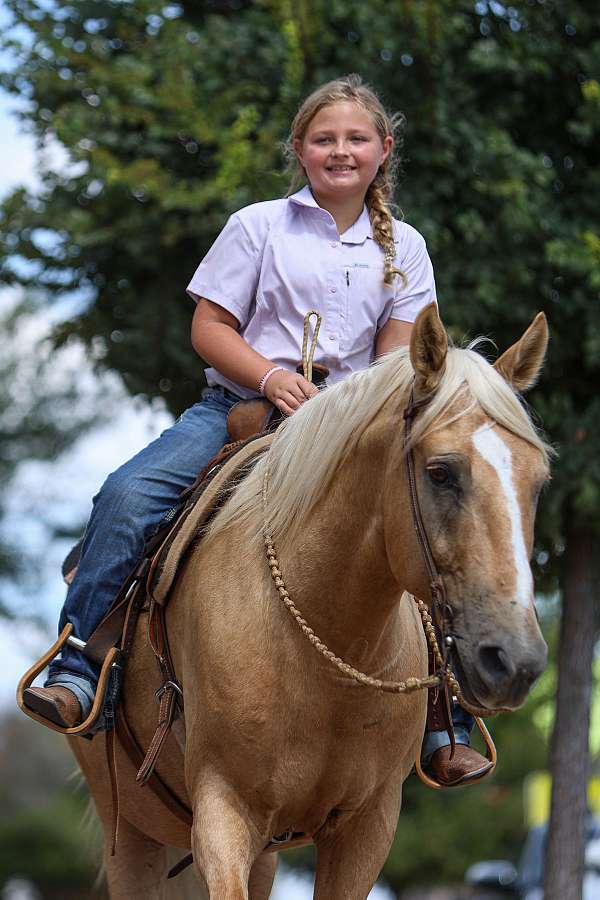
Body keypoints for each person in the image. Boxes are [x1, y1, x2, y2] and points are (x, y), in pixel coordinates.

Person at [23, 74, 491, 786]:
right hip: (238, 412)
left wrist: (345, 405)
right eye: (324, 139)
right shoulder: (257, 225)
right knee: (127, 493)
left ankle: (445, 712)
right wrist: (272, 377)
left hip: (350, 430)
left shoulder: (408, 249)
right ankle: (78, 658)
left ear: (383, 148)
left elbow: (398, 360)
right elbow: (209, 326)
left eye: (356, 139)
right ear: (300, 149)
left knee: (417, 525)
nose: (341, 151)